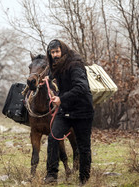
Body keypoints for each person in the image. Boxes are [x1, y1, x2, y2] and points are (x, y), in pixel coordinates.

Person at [44, 39, 94, 185]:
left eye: (57, 51)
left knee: (83, 146)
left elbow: (82, 88)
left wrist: (61, 98)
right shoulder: (57, 66)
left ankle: (83, 179)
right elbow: (59, 77)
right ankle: (51, 175)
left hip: (82, 111)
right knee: (53, 137)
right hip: (65, 110)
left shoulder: (75, 65)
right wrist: (49, 78)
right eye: (52, 52)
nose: (55, 55)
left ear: (63, 50)